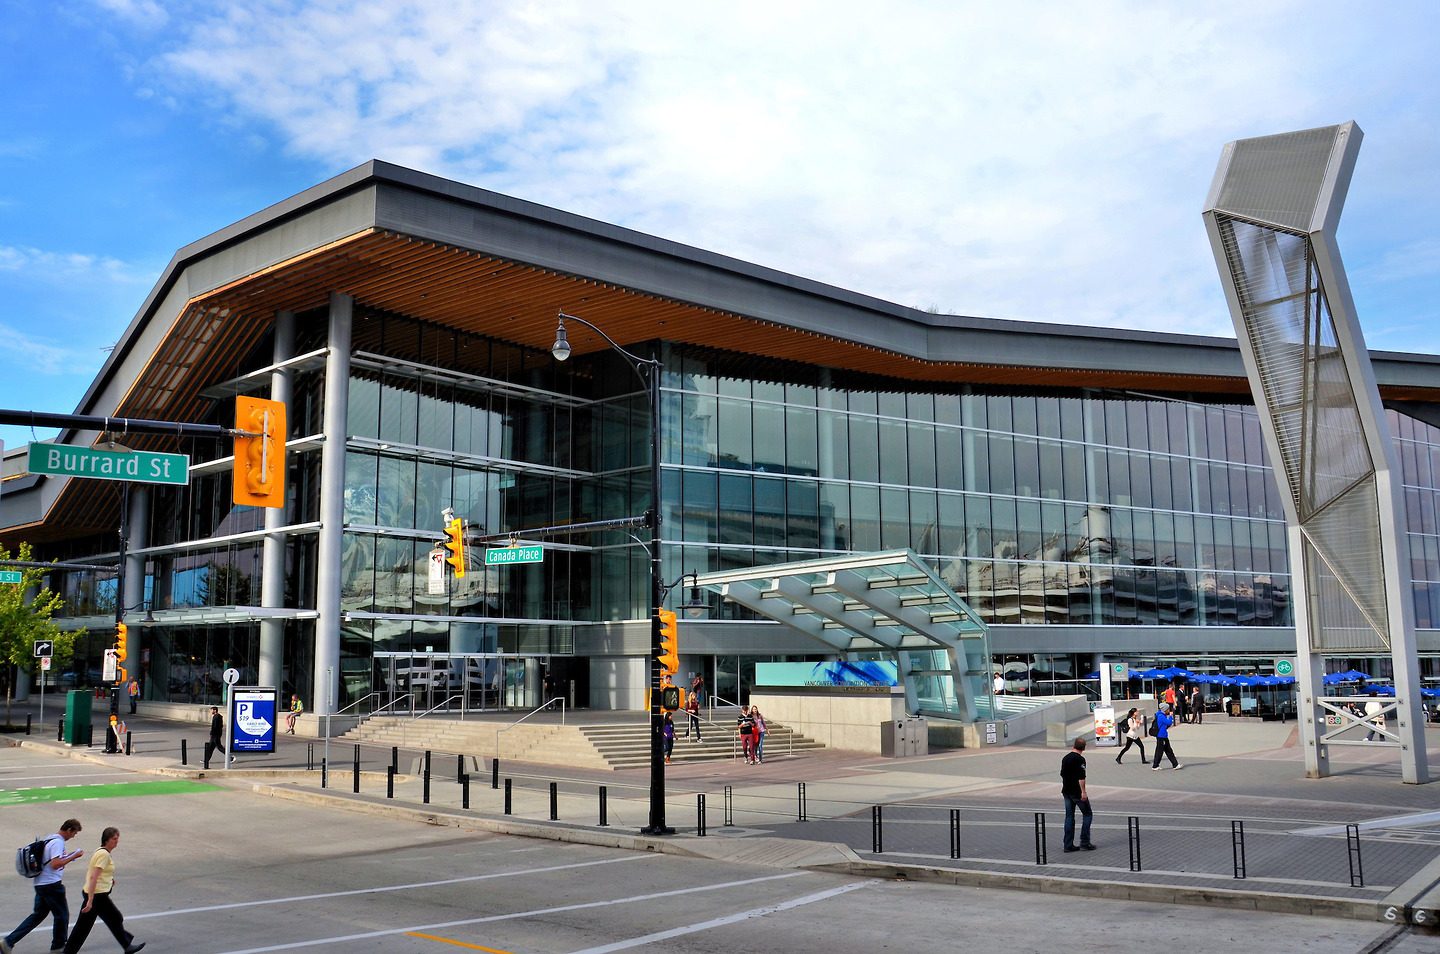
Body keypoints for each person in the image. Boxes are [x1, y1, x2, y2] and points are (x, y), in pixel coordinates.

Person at [3, 818, 84, 954]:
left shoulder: (50, 839)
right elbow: (55, 864)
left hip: (41, 884)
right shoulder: (58, 842)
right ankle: (58, 948)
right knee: (62, 915)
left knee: (37, 916)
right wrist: (73, 856)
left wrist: (70, 856)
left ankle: (8, 942)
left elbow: (51, 861)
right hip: (51, 885)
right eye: (74, 833)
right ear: (69, 829)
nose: (73, 836)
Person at [62, 827, 144, 954]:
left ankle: (126, 945)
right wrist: (90, 900)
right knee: (113, 918)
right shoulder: (103, 854)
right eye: (114, 839)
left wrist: (110, 880)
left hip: (97, 894)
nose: (117, 842)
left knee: (88, 925)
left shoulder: (101, 852)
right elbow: (93, 876)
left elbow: (100, 874)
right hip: (97, 896)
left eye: (117, 839)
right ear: (107, 840)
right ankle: (126, 945)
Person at [1060, 737, 1095, 852]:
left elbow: (1062, 774)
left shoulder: (1065, 758)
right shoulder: (1080, 759)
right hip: (1076, 792)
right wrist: (1083, 792)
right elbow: (1081, 777)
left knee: (1069, 817)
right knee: (1088, 814)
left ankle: (1068, 844)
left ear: (1074, 745)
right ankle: (1085, 842)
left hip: (1066, 791)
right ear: (1083, 748)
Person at [1150, 702, 1182, 770]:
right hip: (1162, 736)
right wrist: (1170, 716)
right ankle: (1174, 765)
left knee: (1166, 751)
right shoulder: (1161, 716)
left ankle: (1173, 764)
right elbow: (1169, 722)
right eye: (1168, 709)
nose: (1169, 710)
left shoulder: (1160, 715)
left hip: (1162, 736)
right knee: (1162, 751)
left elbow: (1167, 725)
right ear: (1165, 709)